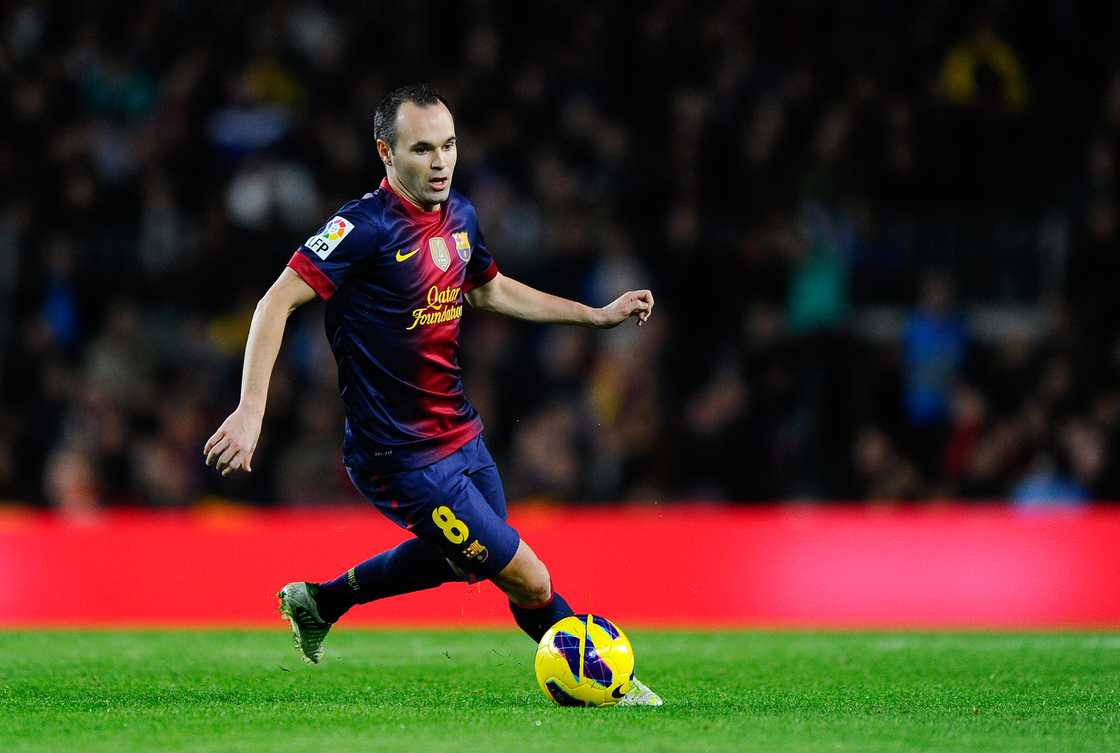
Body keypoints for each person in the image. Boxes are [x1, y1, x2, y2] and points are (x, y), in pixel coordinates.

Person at [202, 84, 661, 705]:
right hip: (398, 455)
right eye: (422, 148)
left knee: (472, 561)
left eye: (448, 145)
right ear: (385, 153)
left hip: (461, 434)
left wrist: (595, 315)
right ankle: (611, 683)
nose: (440, 161)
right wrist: (251, 409)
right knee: (529, 575)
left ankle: (322, 601)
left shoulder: (461, 216)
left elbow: (490, 290)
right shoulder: (361, 228)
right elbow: (275, 300)